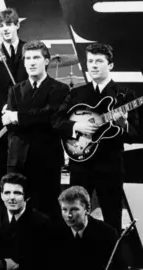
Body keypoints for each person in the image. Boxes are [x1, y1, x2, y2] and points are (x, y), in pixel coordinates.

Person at [54, 43, 139, 231]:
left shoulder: (125, 95)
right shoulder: (76, 93)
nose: (93, 65)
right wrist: (77, 125)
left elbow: (136, 133)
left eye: (99, 61)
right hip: (80, 164)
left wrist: (123, 124)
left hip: (110, 166)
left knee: (112, 219)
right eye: (90, 61)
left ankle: (111, 259)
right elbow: (56, 122)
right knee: (74, 217)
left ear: (110, 65)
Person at [3, 40, 69, 220]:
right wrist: (17, 118)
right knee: (16, 212)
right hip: (17, 159)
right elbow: (9, 124)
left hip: (45, 159)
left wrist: (17, 116)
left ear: (46, 61)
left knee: (46, 211)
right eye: (28, 58)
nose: (31, 62)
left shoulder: (60, 89)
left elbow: (49, 118)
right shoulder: (15, 90)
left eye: (36, 58)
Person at [0, 8, 28, 182]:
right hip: (0, 115)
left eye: (9, 24)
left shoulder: (29, 50)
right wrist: (4, 105)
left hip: (24, 113)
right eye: (1, 26)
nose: (5, 29)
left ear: (17, 25)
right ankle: (3, 205)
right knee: (1, 160)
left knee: (25, 161)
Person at [55, 186, 126, 270]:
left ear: (88, 209)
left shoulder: (107, 233)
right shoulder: (54, 232)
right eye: (64, 210)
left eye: (74, 209)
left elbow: (120, 267)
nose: (69, 215)